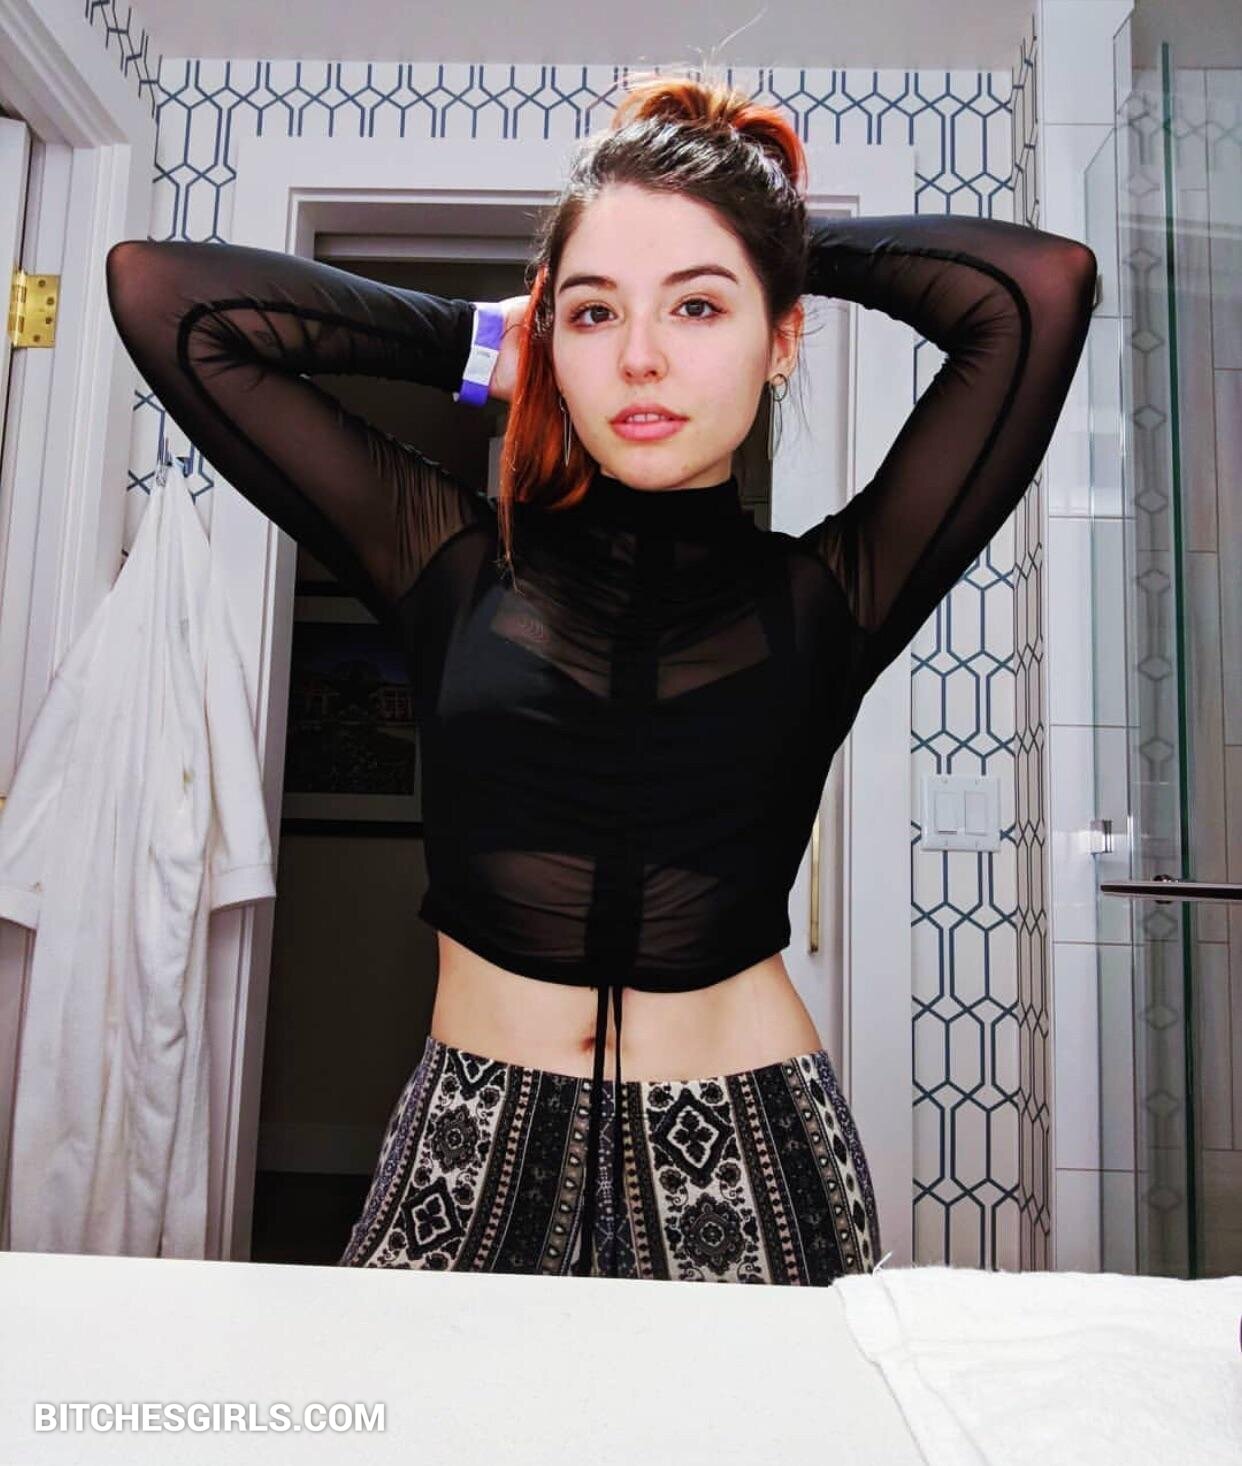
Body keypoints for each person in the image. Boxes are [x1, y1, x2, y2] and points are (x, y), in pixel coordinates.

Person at [104, 71, 1097, 1284]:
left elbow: (1038, 291)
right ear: (550, 343)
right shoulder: (448, 561)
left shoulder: (830, 596)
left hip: (752, 1147)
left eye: (699, 306)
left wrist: (765, 235)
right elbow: (165, 297)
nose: (639, 357)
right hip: (469, 1143)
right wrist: (470, 341)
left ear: (780, 340)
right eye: (592, 313)